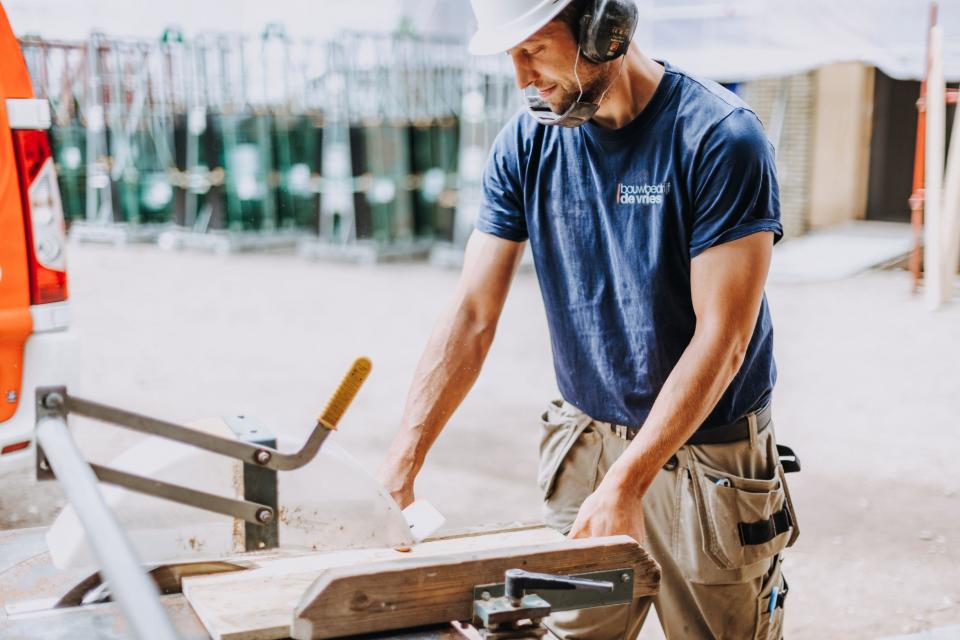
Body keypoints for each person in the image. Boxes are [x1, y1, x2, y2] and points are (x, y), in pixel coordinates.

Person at [379, 0, 800, 637]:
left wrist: (629, 482)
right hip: (586, 446)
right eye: (510, 57)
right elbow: (471, 312)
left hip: (707, 458)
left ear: (607, 29)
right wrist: (401, 467)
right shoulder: (528, 139)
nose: (522, 79)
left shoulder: (718, 138)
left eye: (534, 50)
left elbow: (725, 339)